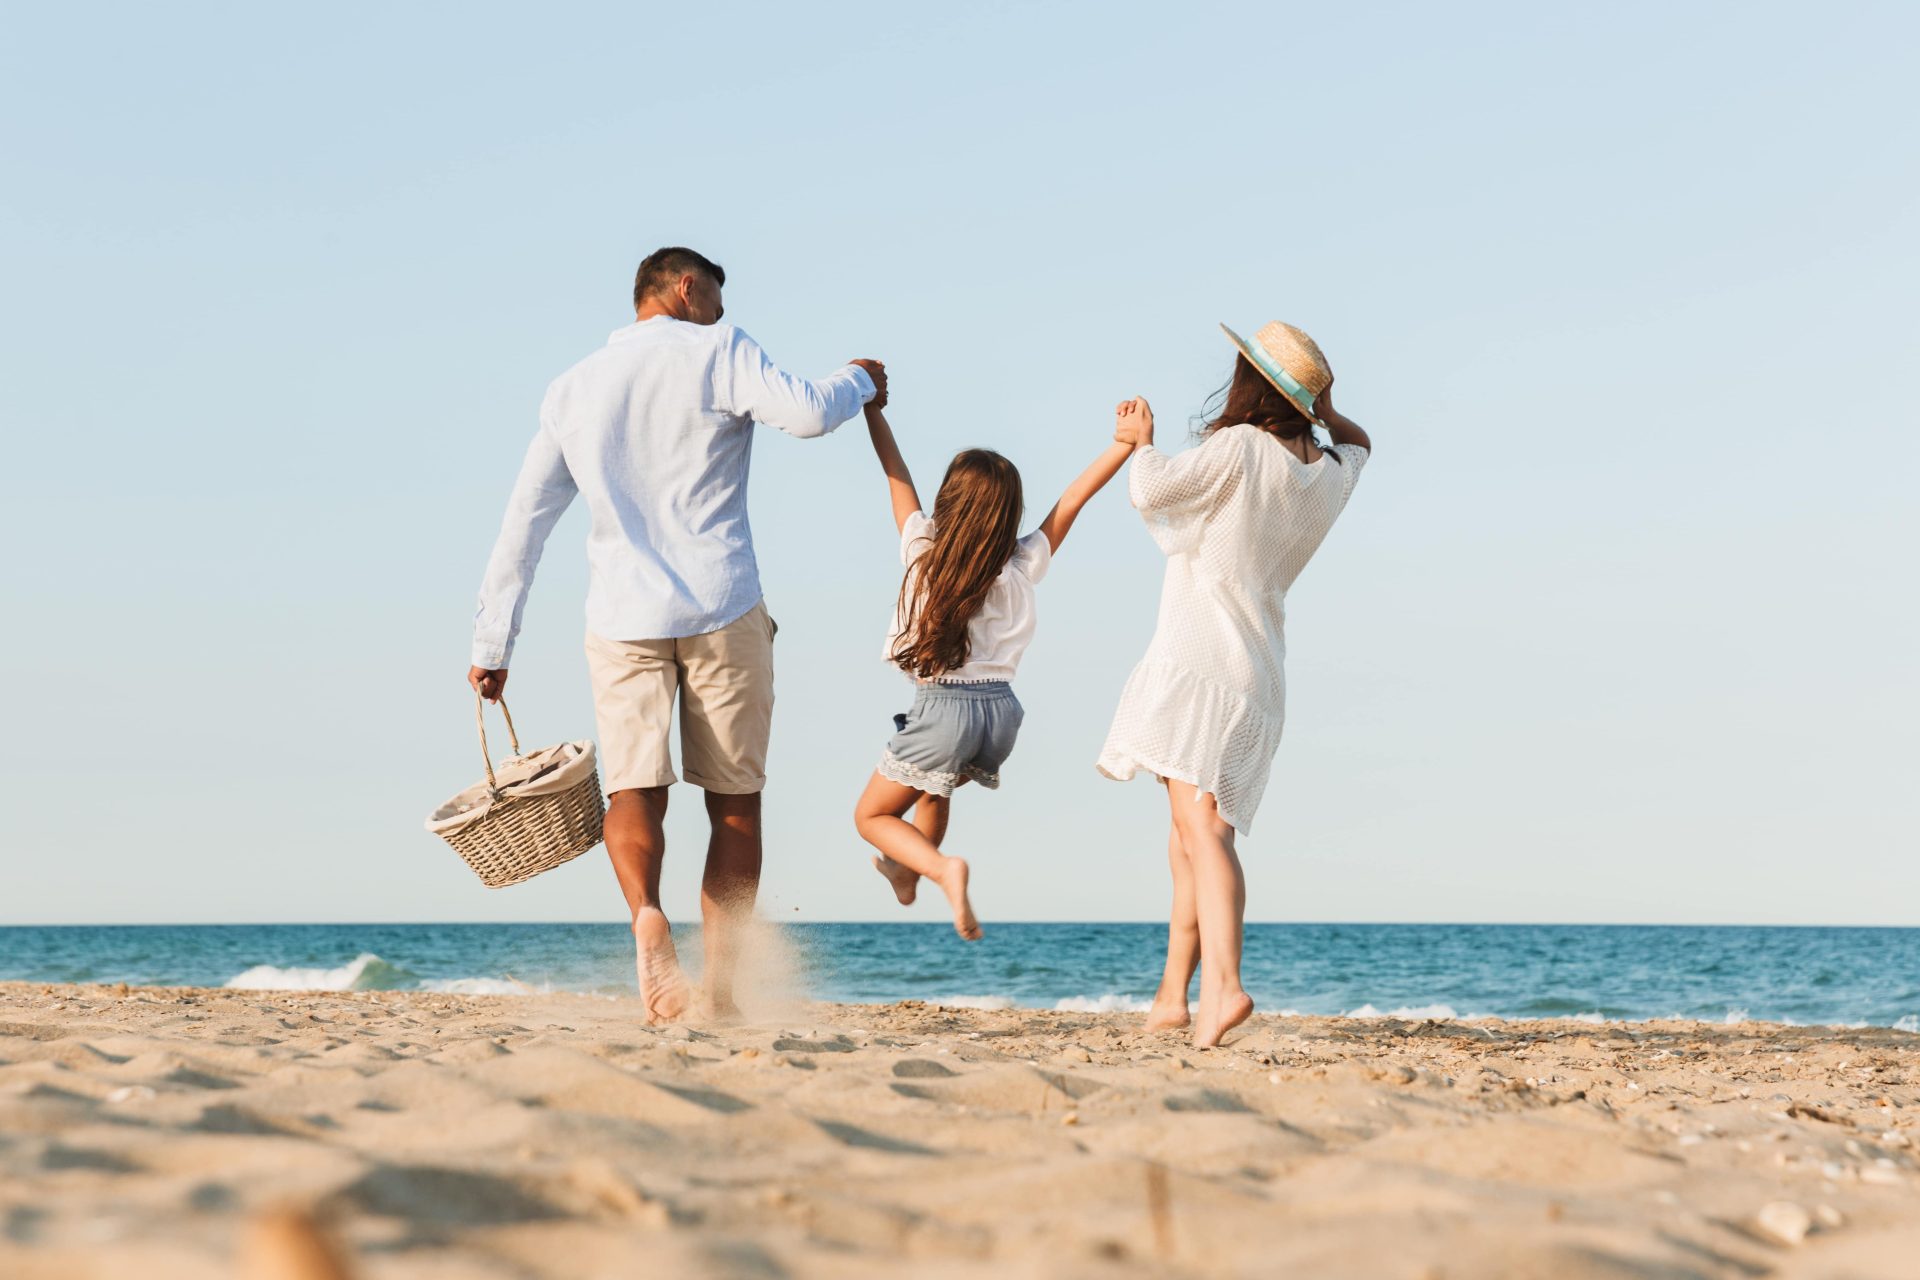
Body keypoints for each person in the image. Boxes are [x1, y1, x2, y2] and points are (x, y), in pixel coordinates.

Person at [466, 246, 887, 1023]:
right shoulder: (718, 348)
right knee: (734, 804)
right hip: (722, 605)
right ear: (686, 289)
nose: (720, 314)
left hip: (621, 617)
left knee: (633, 791)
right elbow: (808, 413)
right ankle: (721, 995)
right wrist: (859, 377)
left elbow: (524, 523)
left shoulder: (573, 386)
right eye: (716, 300)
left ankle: (646, 918)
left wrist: (494, 644)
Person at [1098, 321, 1373, 1047]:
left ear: (1251, 382)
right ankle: (1170, 996)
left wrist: (1140, 436)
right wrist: (1326, 407)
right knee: (1188, 835)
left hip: (1201, 662)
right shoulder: (1327, 473)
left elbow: (1149, 489)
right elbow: (1362, 441)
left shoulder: (1239, 448)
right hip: (1260, 675)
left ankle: (1223, 988)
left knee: (1203, 833)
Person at [853, 400, 1133, 939]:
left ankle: (940, 868)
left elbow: (897, 475)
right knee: (933, 791)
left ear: (947, 502)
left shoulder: (922, 548)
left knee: (872, 817)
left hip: (944, 709)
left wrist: (873, 414)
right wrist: (1122, 444)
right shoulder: (1022, 562)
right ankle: (906, 874)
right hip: (1001, 714)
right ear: (1008, 515)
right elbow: (1072, 499)